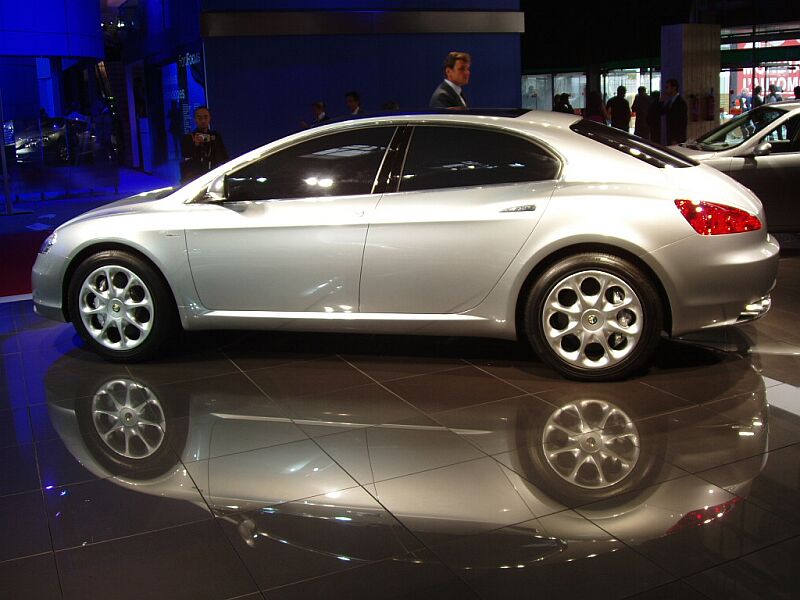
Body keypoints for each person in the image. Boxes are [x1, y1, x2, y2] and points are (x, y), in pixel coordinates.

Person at [180, 106, 228, 184]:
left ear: (210, 118)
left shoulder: (215, 136)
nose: (203, 121)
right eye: (199, 118)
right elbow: (186, 155)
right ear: (195, 119)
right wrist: (195, 145)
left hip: (214, 175)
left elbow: (224, 156)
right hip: (196, 177)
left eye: (206, 117)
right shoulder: (188, 138)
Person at [660, 78, 688, 145]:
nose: (666, 90)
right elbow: (662, 112)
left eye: (667, 87)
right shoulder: (670, 102)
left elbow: (682, 122)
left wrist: (677, 138)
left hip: (676, 138)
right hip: (670, 134)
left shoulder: (680, 102)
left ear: (674, 88)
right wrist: (662, 101)